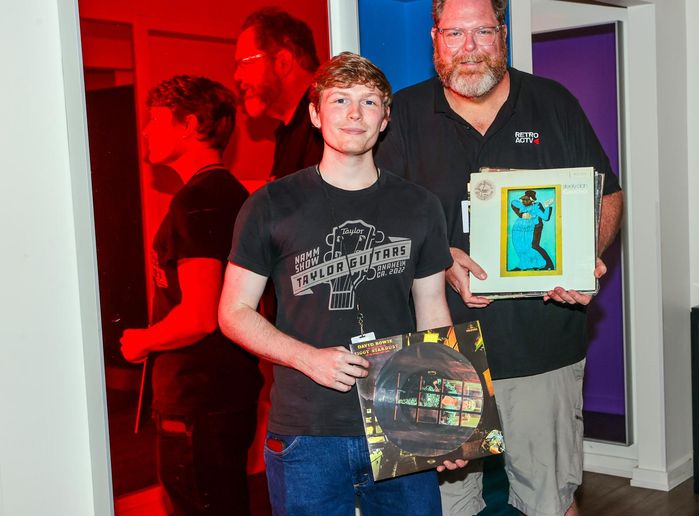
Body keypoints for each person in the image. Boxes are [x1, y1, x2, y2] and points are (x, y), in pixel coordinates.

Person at [374, 0, 625, 514]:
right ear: (435, 38)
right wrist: (441, 258)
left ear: (503, 33)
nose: (469, 48)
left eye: (483, 31)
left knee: (549, 501)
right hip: (438, 354)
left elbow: (608, 196)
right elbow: (378, 221)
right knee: (446, 507)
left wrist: (585, 256)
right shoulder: (401, 117)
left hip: (542, 349)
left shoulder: (553, 103)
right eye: (455, 33)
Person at [218, 52, 465, 516]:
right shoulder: (270, 204)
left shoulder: (420, 206)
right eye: (340, 100)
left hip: (401, 421)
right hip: (306, 431)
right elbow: (233, 312)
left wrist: (446, 420)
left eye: (369, 102)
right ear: (315, 114)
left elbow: (433, 310)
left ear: (385, 119)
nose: (355, 114)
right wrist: (307, 358)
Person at [120, 75, 263, 515]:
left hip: (198, 397)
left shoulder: (197, 201)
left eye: (155, 120)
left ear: (190, 125)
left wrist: (141, 341)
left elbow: (200, 314)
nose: (146, 131)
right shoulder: (233, 194)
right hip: (227, 390)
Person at [235, 6, 323, 179]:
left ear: (283, 62)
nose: (236, 76)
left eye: (245, 62)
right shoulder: (289, 130)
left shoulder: (327, 120)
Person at [509, 190, 554, 271]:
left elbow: (545, 217)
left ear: (532, 199)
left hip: (532, 229)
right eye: (523, 199)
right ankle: (525, 265)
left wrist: (547, 206)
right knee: (520, 246)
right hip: (519, 229)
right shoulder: (522, 207)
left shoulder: (536, 206)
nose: (523, 201)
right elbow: (513, 202)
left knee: (533, 246)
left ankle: (548, 264)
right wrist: (522, 213)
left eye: (526, 199)